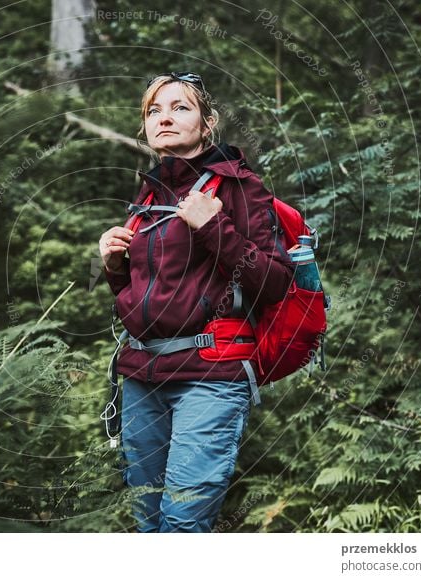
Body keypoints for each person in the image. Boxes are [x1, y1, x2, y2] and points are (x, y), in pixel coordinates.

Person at [98, 72, 293, 533]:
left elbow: (274, 282)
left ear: (207, 124)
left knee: (183, 524)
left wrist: (213, 228)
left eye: (180, 107)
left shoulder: (239, 187)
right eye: (153, 111)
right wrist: (114, 266)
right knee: (148, 521)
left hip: (210, 374)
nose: (164, 117)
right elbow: (149, 300)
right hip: (142, 377)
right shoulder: (148, 196)